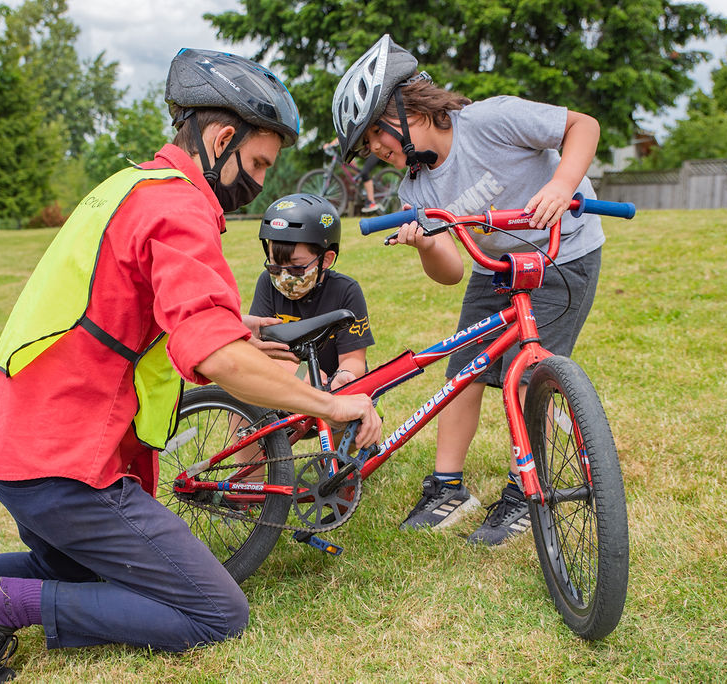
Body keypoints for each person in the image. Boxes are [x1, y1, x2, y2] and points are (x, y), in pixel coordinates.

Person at [0, 47, 380, 684]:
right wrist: (335, 403)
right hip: (67, 461)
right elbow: (214, 355)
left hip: (14, 443)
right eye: (257, 163)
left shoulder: (126, 187)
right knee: (215, 611)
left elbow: (119, 298)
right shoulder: (179, 206)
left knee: (81, 575)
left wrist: (233, 323)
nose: (256, 183)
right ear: (222, 138)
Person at [332, 35, 604, 545]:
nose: (374, 150)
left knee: (530, 373)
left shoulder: (490, 120)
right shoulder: (415, 188)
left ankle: (528, 490)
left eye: (374, 133)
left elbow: (582, 126)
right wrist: (425, 246)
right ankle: (447, 486)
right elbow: (452, 271)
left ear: (406, 104)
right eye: (366, 145)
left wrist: (563, 184)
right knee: (466, 369)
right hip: (494, 264)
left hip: (562, 252)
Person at [250, 192, 374, 390]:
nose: (283, 277)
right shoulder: (267, 284)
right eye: (274, 267)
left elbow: (354, 359)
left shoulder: (346, 291)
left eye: (296, 268)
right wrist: (300, 374)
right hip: (284, 384)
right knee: (244, 393)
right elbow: (260, 352)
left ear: (326, 260)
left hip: (333, 389)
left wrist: (345, 376)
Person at [322, 138, 382, 213]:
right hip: (364, 150)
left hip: (374, 149)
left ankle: (371, 202)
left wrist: (330, 144)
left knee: (364, 173)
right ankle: (360, 179)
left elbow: (343, 136)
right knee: (348, 158)